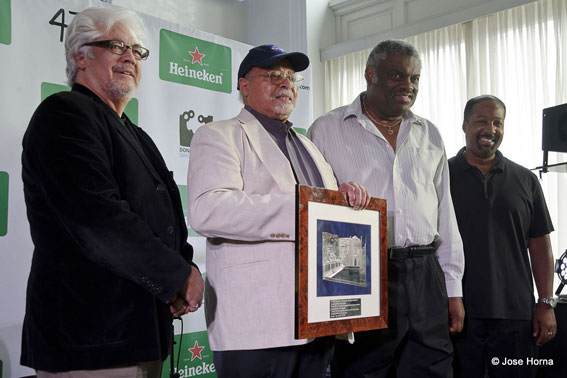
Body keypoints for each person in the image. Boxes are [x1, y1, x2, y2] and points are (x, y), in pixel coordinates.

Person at [20, 7, 204, 377]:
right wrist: (177, 276)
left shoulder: (136, 134)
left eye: (137, 51)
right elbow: (99, 219)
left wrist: (186, 266)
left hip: (141, 332)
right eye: (117, 46)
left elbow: (164, 219)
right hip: (88, 339)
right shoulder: (63, 114)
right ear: (80, 56)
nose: (130, 58)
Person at [187, 44, 370, 378]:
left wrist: (345, 200)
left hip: (318, 314)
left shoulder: (309, 147)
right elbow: (207, 210)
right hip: (256, 320)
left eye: (291, 77)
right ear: (243, 85)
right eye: (273, 76)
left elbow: (325, 220)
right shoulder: (218, 135)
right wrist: (301, 209)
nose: (285, 83)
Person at [308, 39, 465, 377]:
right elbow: (313, 213)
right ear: (370, 75)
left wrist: (454, 290)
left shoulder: (430, 134)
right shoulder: (326, 129)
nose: (407, 86)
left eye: (415, 78)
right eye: (397, 75)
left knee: (433, 368)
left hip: (425, 273)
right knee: (362, 369)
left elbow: (445, 215)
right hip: (358, 271)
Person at [449, 95, 557, 378]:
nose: (491, 129)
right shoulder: (441, 176)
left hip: (517, 315)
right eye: (482, 121)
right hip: (457, 312)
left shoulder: (526, 180)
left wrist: (546, 303)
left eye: (498, 122)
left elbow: (540, 245)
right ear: (465, 125)